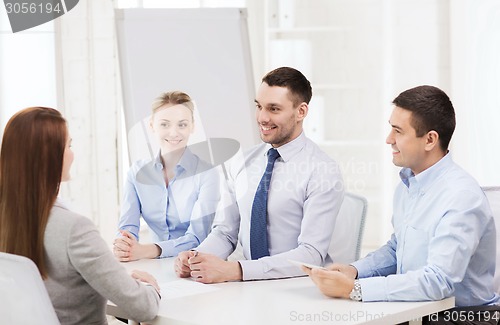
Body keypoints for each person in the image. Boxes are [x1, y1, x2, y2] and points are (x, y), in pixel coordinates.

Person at [304, 85, 500, 324]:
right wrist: (354, 271)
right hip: (419, 311)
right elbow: (398, 248)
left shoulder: (461, 197)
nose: (389, 139)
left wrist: (354, 289)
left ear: (430, 139)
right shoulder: (409, 184)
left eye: (398, 131)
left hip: (465, 318)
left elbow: (438, 281)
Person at [174, 66, 344, 283]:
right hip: (248, 287)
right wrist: (197, 257)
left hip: (298, 287)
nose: (262, 118)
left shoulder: (322, 170)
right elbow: (225, 233)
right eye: (259, 106)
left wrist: (236, 271)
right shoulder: (242, 162)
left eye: (274, 109)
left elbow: (311, 254)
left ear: (301, 112)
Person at [0, 107, 160, 324]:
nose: (73, 154)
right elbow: (143, 308)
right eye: (69, 145)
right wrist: (150, 287)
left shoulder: (7, 219)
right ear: (50, 156)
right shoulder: (73, 229)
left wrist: (119, 282)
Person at [114, 91, 220, 261]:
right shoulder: (137, 172)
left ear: (192, 126)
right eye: (164, 124)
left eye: (182, 125)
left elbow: (197, 237)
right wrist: (123, 245)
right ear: (151, 125)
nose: (173, 133)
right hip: (153, 265)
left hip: (195, 265)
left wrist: (147, 251)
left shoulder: (207, 174)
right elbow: (127, 228)